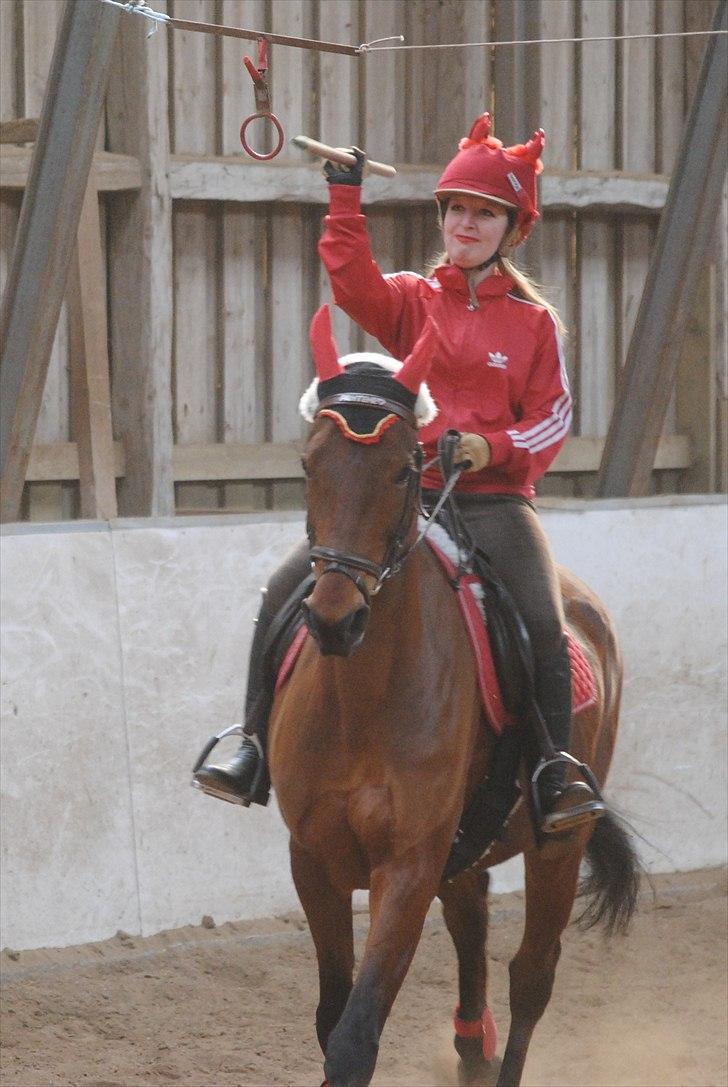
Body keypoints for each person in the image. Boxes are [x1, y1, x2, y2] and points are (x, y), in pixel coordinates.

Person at [193, 113, 605, 834]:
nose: (466, 224)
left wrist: (489, 448)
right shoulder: (415, 298)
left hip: (493, 504)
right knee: (286, 591)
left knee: (544, 620)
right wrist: (345, 199)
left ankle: (553, 772)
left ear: (514, 228)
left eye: (484, 213)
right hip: (403, 499)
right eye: (456, 210)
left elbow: (552, 420)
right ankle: (253, 743)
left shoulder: (535, 326)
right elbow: (352, 285)